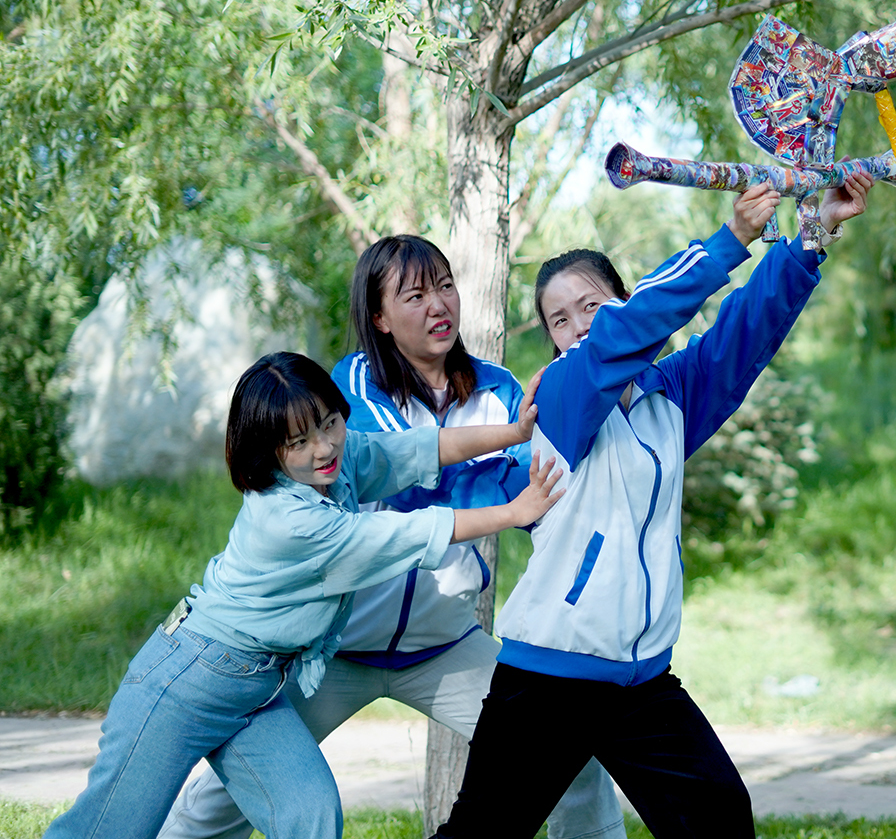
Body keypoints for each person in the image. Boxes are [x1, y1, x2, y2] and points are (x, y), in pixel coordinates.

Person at [428, 177, 873, 839]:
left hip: (641, 683)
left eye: (591, 305)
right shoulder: (563, 398)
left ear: (620, 300)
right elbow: (621, 336)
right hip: (548, 677)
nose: (579, 325)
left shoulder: (669, 397)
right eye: (560, 319)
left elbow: (743, 333)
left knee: (719, 816)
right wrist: (732, 239)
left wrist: (813, 232)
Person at [158, 236, 626, 839]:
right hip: (333, 652)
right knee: (224, 796)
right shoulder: (349, 388)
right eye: (415, 295)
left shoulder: (502, 391)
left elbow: (536, 484)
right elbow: (408, 474)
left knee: (570, 758)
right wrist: (504, 490)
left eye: (445, 287)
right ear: (379, 318)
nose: (438, 305)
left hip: (444, 645)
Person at [47, 351, 563, 839]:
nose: (323, 447)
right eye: (298, 441)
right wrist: (513, 512)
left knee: (309, 813)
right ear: (267, 450)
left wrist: (513, 433)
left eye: (329, 423)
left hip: (259, 686)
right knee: (108, 830)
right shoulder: (290, 520)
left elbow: (416, 450)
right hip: (189, 681)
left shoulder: (332, 464)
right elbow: (405, 534)